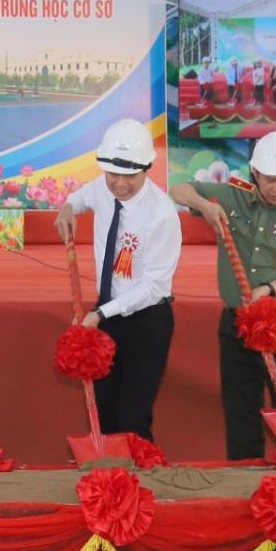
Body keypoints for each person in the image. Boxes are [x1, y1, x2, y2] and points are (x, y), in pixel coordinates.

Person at [170, 131, 276, 460]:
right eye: (270, 180)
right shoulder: (233, 196)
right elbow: (178, 189)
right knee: (240, 402)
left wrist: (270, 289)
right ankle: (245, 472)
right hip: (239, 320)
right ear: (254, 174)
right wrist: (204, 206)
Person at [54, 120, 180, 441]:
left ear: (147, 168)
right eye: (113, 175)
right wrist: (68, 208)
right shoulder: (103, 185)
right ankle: (106, 481)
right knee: (104, 408)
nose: (119, 183)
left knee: (132, 415)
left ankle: (138, 484)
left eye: (129, 176)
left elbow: (153, 287)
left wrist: (99, 315)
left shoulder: (161, 215)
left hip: (146, 320)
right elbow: (83, 196)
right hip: (106, 313)